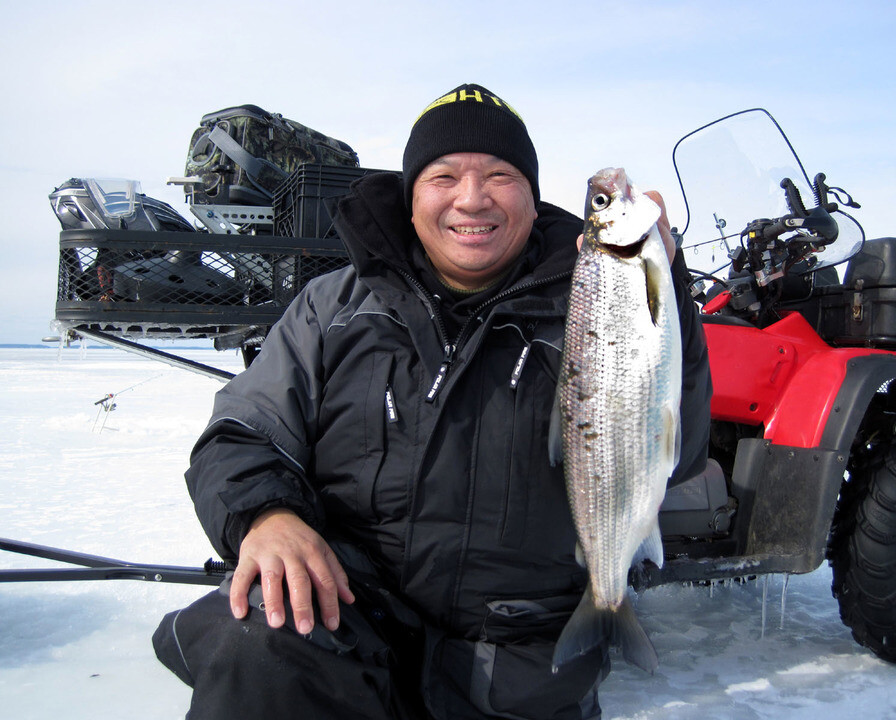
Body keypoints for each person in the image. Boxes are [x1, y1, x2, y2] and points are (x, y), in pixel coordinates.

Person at [153, 83, 712, 720]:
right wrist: (266, 517)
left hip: (518, 662)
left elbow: (682, 447)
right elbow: (242, 435)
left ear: (532, 197)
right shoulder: (334, 307)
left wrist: (667, 285)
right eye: (443, 175)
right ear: (412, 197)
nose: (471, 198)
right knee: (253, 644)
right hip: (348, 625)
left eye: (499, 175)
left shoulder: (596, 307)